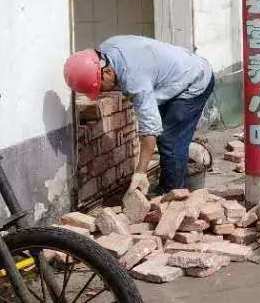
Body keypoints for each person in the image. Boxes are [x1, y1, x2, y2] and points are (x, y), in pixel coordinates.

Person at [63, 36, 215, 194]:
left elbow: (150, 129)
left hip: (195, 81)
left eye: (100, 87)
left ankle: (173, 197)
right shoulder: (106, 51)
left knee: (171, 141)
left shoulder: (133, 78)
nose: (102, 92)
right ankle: (174, 185)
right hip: (175, 77)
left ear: (107, 71)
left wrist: (141, 172)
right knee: (166, 137)